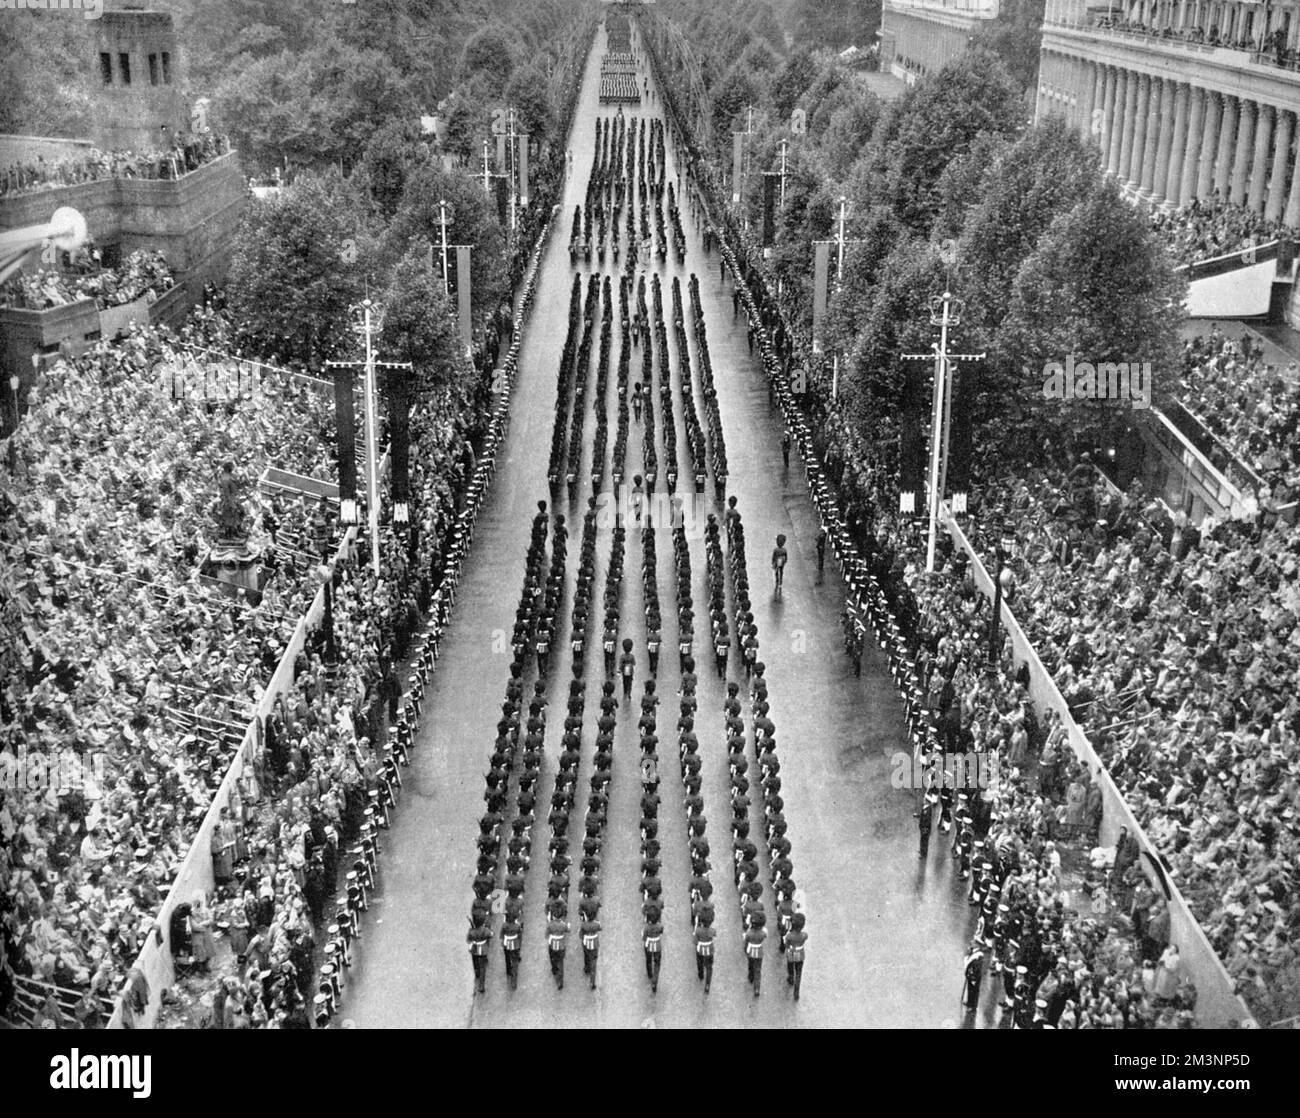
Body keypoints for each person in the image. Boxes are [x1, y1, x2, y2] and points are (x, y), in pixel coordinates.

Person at [783, 912, 807, 999]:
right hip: (800, 954)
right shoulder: (804, 935)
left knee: (790, 967)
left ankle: (791, 978)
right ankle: (796, 991)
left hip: (791, 953)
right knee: (799, 972)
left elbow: (786, 944)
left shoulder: (789, 936)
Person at [467, 916, 492, 994]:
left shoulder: (471, 931)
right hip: (483, 949)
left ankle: (476, 972)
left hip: (474, 949)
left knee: (475, 961)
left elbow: (468, 940)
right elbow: (491, 934)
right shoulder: (485, 930)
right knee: (482, 967)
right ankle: (481, 985)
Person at [546, 909, 570, 990]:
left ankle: (554, 969)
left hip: (552, 944)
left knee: (552, 958)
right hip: (561, 946)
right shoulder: (563, 925)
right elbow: (568, 930)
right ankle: (560, 981)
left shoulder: (550, 924)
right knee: (561, 963)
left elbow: (546, 935)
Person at [744, 919, 766, 997]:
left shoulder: (749, 933)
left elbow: (746, 941)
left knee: (750, 964)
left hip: (750, 951)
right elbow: (765, 936)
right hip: (759, 952)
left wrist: (745, 950)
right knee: (758, 970)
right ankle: (757, 989)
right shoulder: (763, 933)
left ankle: (750, 976)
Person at [694, 917, 716, 993]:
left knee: (699, 962)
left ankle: (700, 975)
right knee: (709, 968)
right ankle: (707, 985)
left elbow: (695, 942)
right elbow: (714, 934)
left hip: (700, 950)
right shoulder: (712, 931)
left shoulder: (698, 930)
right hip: (709, 950)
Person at [643, 914, 664, 992]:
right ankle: (654, 982)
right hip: (657, 946)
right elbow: (661, 931)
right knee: (657, 964)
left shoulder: (646, 927)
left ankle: (649, 974)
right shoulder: (660, 926)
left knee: (648, 960)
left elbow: (644, 937)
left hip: (648, 945)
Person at [501, 915, 522, 991]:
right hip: (515, 945)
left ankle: (508, 970)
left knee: (507, 958)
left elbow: (501, 935)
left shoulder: (504, 925)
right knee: (515, 963)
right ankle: (513, 982)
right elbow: (520, 936)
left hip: (506, 944)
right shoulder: (517, 926)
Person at [581, 915, 601, 989]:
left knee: (586, 956)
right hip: (594, 944)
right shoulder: (596, 924)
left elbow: (581, 935)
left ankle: (587, 968)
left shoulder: (583, 924)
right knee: (594, 962)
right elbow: (600, 928)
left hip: (586, 943)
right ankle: (592, 981)